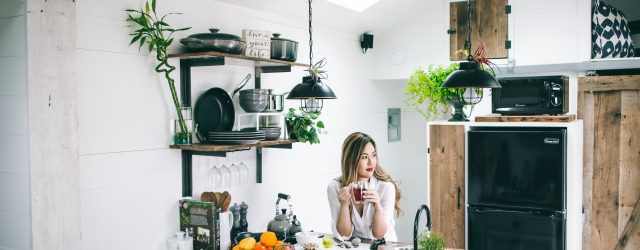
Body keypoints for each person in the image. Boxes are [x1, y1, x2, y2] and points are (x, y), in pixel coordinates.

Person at [327, 132, 402, 241]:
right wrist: (344, 204)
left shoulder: (386, 188)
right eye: (364, 157)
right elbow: (344, 234)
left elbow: (379, 235)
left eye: (374, 155)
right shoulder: (335, 187)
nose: (371, 162)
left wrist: (377, 207)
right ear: (351, 160)